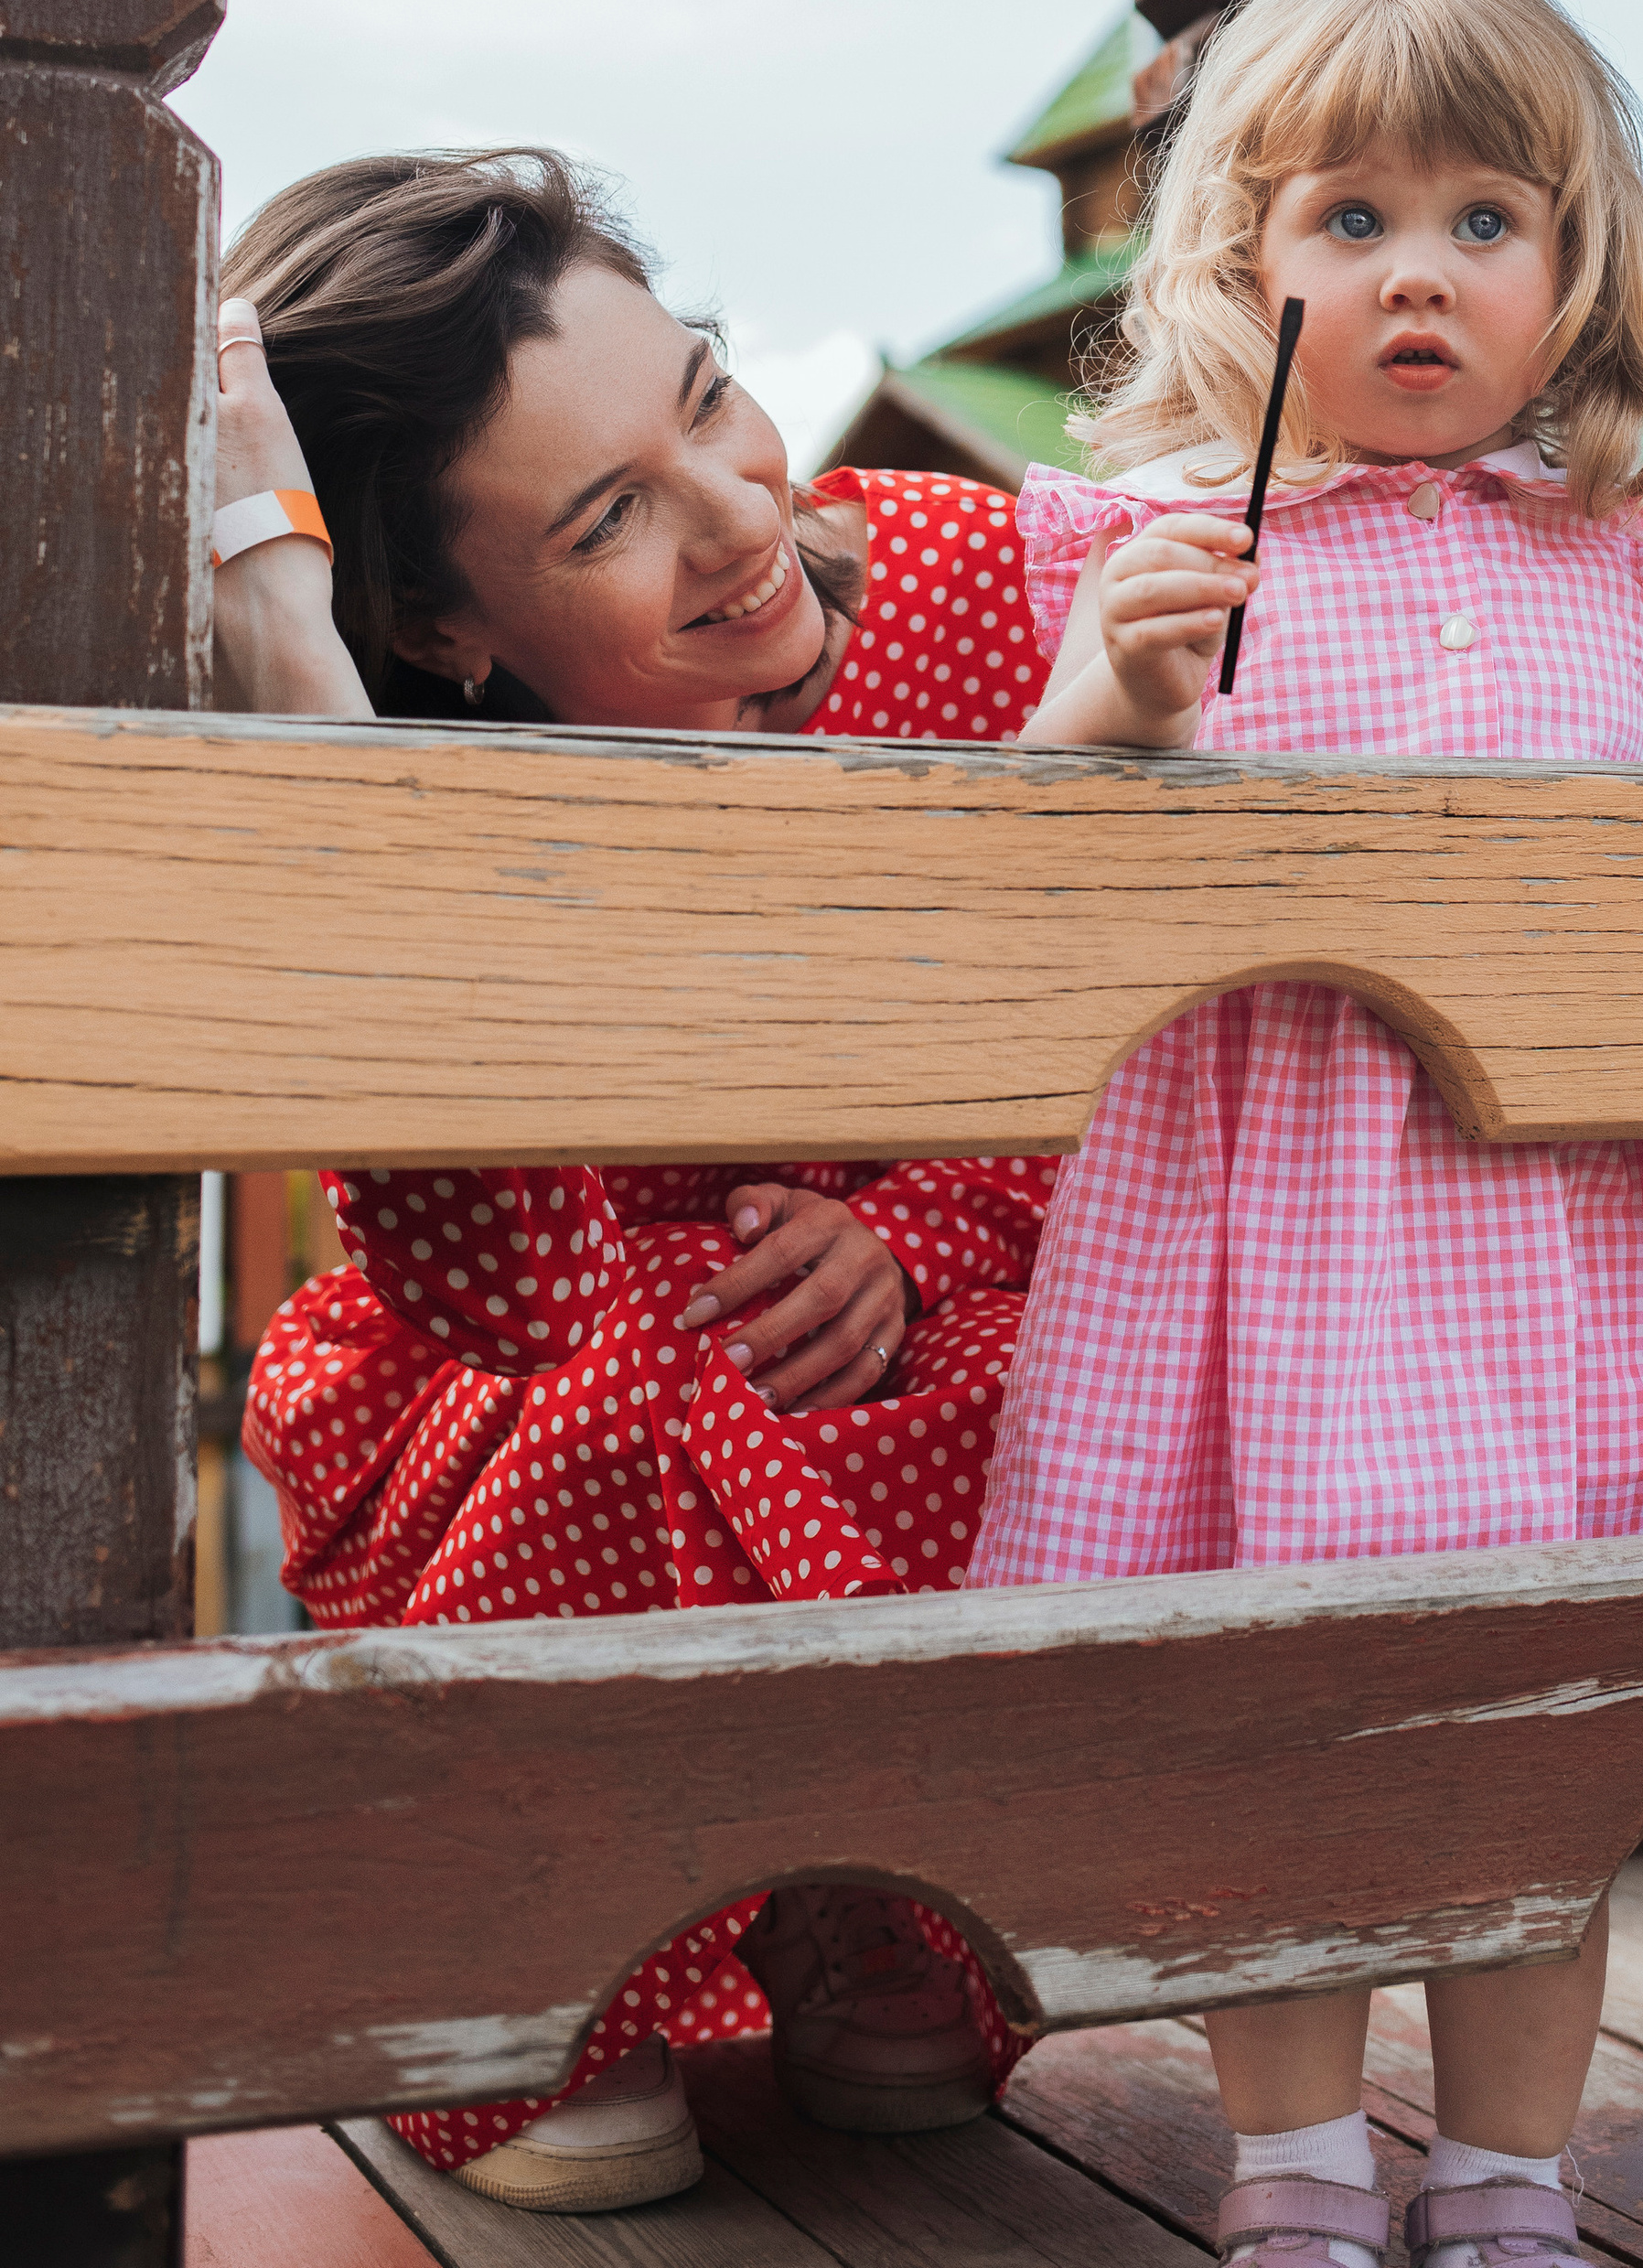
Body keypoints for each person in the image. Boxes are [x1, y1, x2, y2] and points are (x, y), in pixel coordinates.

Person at [972, 0, 1643, 2268]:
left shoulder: (1609, 545)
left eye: (1480, 221)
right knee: (1303, 1715)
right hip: (1290, 1214)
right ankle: (1295, 2167)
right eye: (1349, 222)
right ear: (1249, 262)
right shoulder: (1154, 543)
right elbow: (1044, 859)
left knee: (1554, 1720)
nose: (1416, 275)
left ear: (1571, 266)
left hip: (1568, 1212)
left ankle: (1518, 2176)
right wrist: (1110, 713)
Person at [214, 149, 1056, 2214]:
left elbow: (1125, 1064)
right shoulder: (430, 761)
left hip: (929, 1324)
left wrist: (908, 1226)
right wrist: (308, 692)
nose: (740, 519)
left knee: (1070, 1367)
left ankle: (854, 1875)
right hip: (533, 1392)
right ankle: (537, 1971)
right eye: (608, 520)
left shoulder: (958, 588)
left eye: (703, 400)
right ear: (437, 617)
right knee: (635, 1369)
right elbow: (500, 1287)